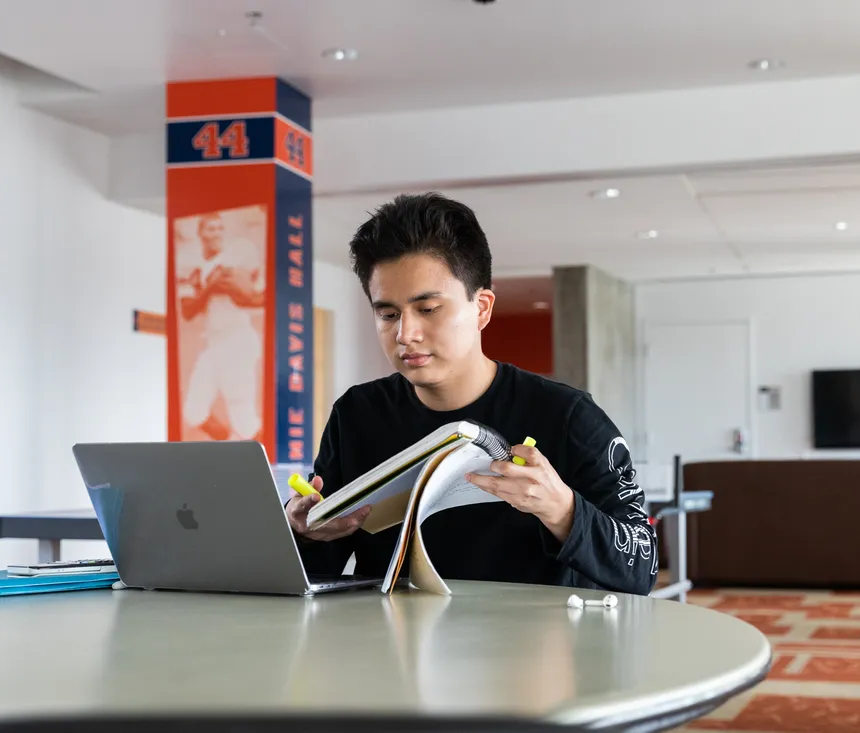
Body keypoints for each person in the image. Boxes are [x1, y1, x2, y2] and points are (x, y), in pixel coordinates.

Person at [285, 193, 657, 595]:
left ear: (481, 308)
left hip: (531, 650)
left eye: (428, 309)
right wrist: (303, 531)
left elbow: (642, 567)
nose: (404, 334)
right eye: (387, 314)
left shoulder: (566, 416)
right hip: (393, 649)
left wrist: (563, 510)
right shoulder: (357, 414)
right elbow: (318, 572)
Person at [177, 211, 266, 442]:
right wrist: (209, 286)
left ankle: (268, 468)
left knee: (243, 416)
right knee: (194, 412)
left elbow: (253, 296)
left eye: (219, 228)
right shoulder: (197, 268)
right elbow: (187, 310)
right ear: (201, 234)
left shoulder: (233, 258)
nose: (216, 233)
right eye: (210, 229)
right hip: (214, 342)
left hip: (237, 338)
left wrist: (225, 285)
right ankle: (230, 444)